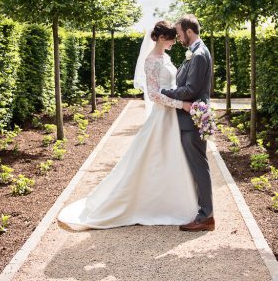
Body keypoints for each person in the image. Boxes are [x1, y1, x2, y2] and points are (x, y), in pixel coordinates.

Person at [56, 20, 198, 230]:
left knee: (172, 158)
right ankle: (151, 205)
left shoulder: (166, 57)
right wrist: (181, 104)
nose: (174, 42)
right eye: (171, 38)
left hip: (173, 116)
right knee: (156, 158)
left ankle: (173, 202)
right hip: (163, 116)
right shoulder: (151, 61)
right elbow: (153, 95)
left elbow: (172, 85)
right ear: (160, 38)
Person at [161, 14, 215, 232]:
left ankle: (206, 217)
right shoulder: (195, 52)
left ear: (189, 32)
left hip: (192, 118)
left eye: (180, 32)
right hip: (189, 118)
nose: (178, 36)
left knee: (199, 166)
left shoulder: (199, 55)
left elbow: (190, 90)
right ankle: (202, 212)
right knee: (195, 166)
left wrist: (164, 92)